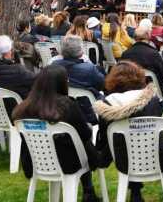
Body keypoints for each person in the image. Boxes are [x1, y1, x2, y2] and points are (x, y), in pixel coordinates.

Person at [12, 65, 102, 202]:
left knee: (78, 143)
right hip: (69, 163)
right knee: (84, 142)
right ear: (62, 83)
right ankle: (89, 191)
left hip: (37, 161)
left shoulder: (23, 109)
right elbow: (85, 134)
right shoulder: (67, 105)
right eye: (66, 80)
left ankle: (89, 192)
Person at [94, 61, 163, 202]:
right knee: (140, 141)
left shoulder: (106, 106)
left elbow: (104, 137)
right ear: (139, 76)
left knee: (126, 144)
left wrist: (101, 157)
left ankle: (135, 192)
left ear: (112, 80)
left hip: (124, 160)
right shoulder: (153, 100)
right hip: (159, 155)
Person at [0, 36, 36, 115]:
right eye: (10, 50)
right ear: (5, 54)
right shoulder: (17, 71)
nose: (12, 52)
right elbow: (38, 82)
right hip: (20, 113)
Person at [53, 36, 105, 124]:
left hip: (61, 112)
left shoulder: (53, 66)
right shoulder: (89, 68)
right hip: (89, 113)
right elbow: (102, 84)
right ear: (81, 51)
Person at [121, 24, 163, 95]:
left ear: (135, 37)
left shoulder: (125, 54)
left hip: (130, 92)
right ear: (148, 36)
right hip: (153, 92)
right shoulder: (154, 54)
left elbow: (121, 74)